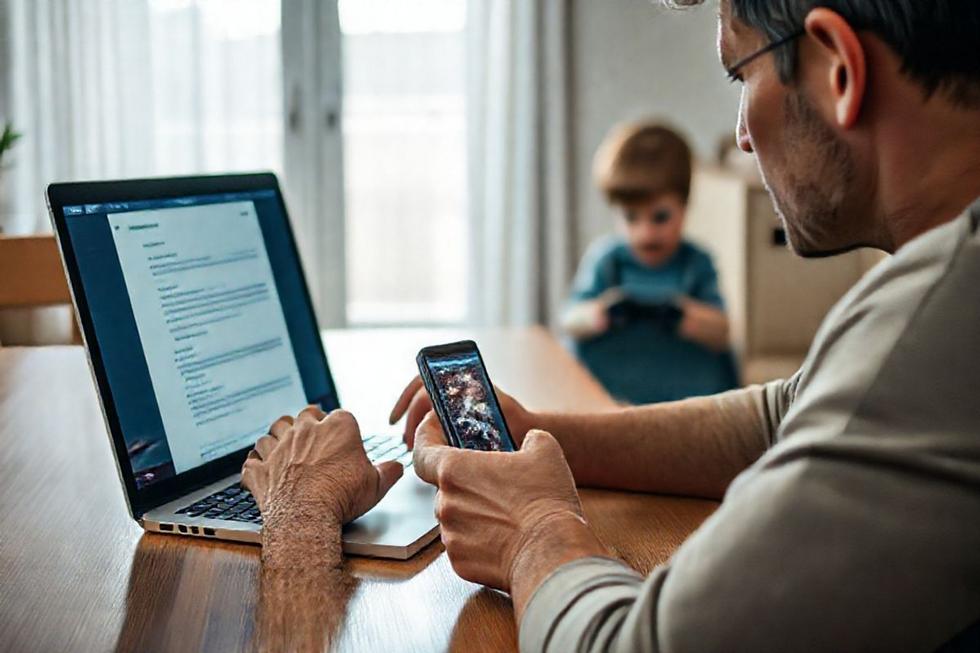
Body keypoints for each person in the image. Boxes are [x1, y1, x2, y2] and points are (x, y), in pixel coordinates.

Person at [243, 0, 980, 650]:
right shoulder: (932, 296)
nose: (743, 137)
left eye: (739, 73)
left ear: (838, 71)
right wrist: (538, 432)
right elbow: (783, 413)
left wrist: (533, 526)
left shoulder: (950, 309)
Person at [563, 122, 737, 404]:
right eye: (631, 218)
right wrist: (601, 314)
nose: (646, 233)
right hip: (611, 396)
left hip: (686, 399)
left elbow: (721, 332)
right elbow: (571, 320)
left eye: (660, 217)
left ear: (684, 206)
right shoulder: (608, 261)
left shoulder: (695, 263)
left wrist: (681, 315)